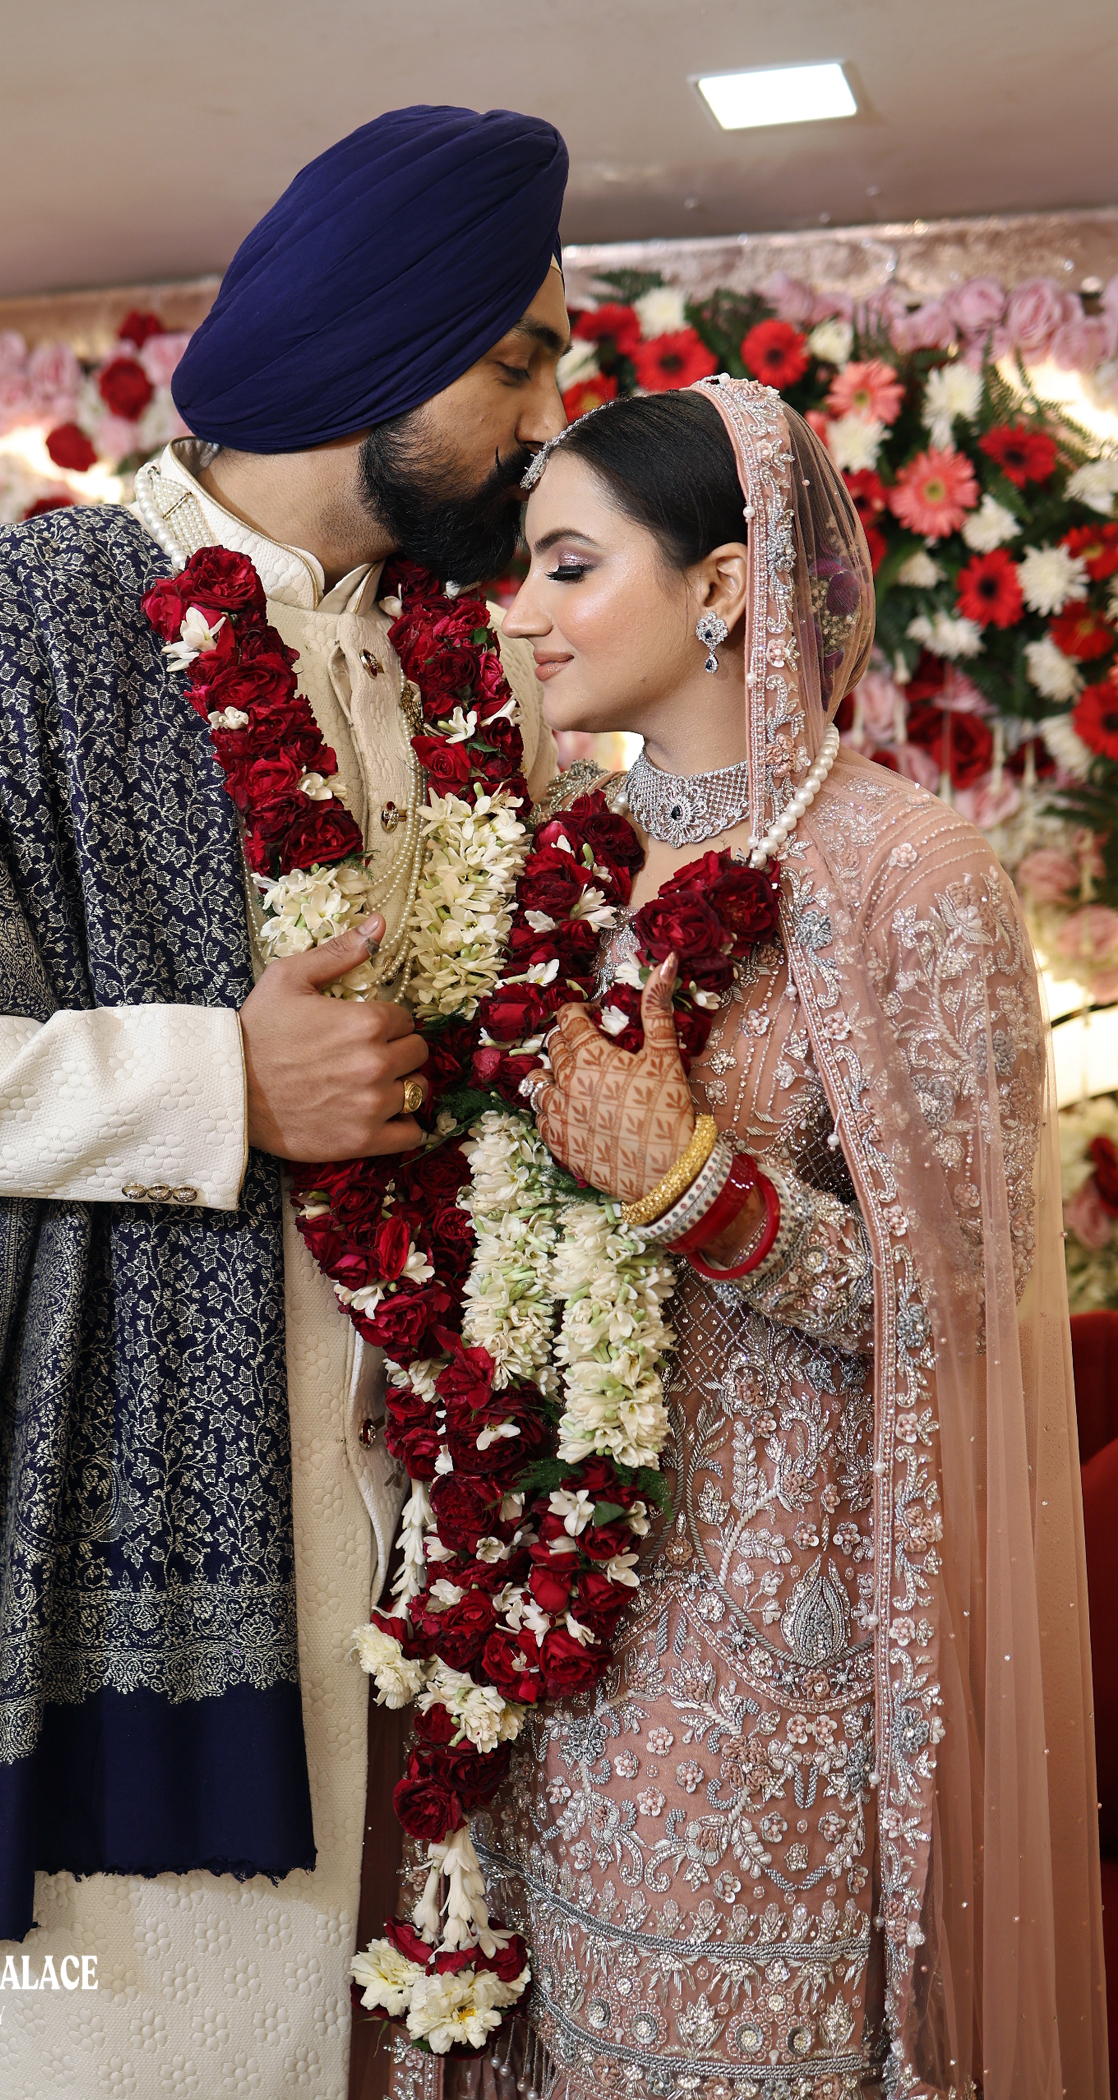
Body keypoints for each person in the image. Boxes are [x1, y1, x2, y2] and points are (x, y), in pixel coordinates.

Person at [0, 106, 569, 2100]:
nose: (549, 417)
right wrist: (213, 1083)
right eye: (518, 361)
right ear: (377, 346)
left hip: (439, 1545)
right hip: (103, 1540)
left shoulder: (477, 664)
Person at [390, 377, 1107, 2098]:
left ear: (719, 587)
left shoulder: (910, 875)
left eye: (569, 567)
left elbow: (968, 1309)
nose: (520, 612)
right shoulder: (554, 866)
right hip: (548, 1631)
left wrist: (698, 1188)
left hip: (788, 1656)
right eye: (522, 570)